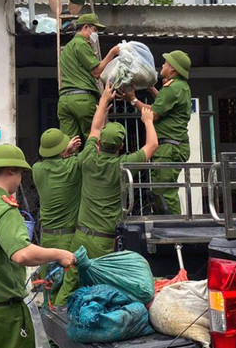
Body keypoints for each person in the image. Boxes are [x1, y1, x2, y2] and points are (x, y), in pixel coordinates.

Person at [54, 82, 159, 305]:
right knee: (100, 289)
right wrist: (148, 121)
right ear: (121, 147)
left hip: (81, 236)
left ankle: (56, 313)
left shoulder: (88, 157)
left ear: (99, 143)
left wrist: (103, 101)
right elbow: (152, 146)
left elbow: (94, 129)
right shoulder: (123, 165)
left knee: (70, 282)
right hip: (104, 241)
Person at [0, 144, 76, 348]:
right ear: (11, 170)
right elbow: (22, 254)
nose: (21, 179)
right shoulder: (4, 209)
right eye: (21, 173)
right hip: (2, 316)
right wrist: (59, 254)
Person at [121, 50, 192, 215]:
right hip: (173, 146)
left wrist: (133, 100)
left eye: (166, 63)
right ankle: (166, 222)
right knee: (160, 189)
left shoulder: (172, 88)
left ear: (173, 69)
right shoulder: (180, 87)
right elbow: (165, 105)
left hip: (169, 148)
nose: (163, 65)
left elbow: (152, 114)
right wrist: (152, 89)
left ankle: (175, 225)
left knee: (164, 190)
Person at [32, 129, 82, 301]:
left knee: (49, 283)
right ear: (61, 150)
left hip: (46, 238)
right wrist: (68, 153)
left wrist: (64, 152)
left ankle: (48, 310)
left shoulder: (37, 169)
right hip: (67, 238)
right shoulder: (73, 166)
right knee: (68, 285)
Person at [58, 13, 120, 139]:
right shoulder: (82, 44)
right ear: (85, 27)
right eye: (95, 30)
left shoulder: (67, 48)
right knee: (94, 138)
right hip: (83, 99)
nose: (95, 34)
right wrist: (112, 53)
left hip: (64, 101)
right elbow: (96, 72)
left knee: (70, 143)